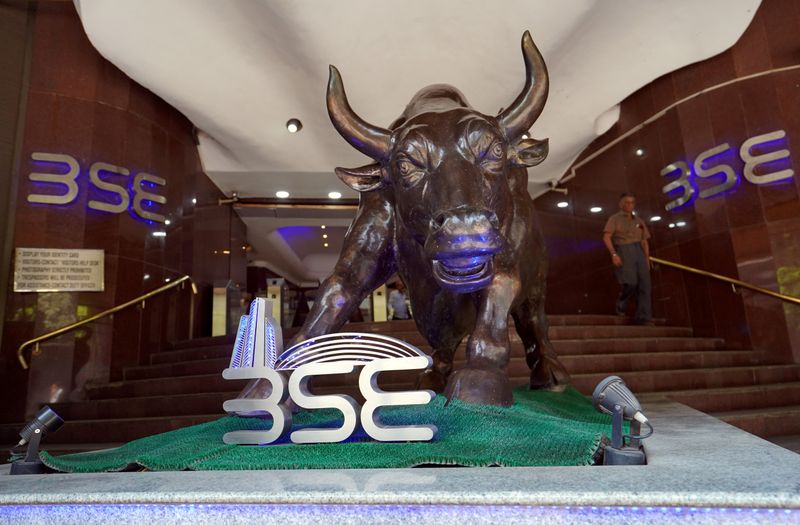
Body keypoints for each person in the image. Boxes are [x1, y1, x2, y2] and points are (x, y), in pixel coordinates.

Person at [602, 192, 653, 325]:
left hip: (639, 252)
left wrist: (646, 258)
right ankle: (621, 304)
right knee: (630, 282)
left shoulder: (639, 220)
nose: (629, 205)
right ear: (621, 204)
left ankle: (644, 317)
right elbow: (606, 237)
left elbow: (644, 241)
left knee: (645, 285)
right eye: (627, 202)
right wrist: (614, 254)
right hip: (624, 249)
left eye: (632, 202)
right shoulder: (615, 218)